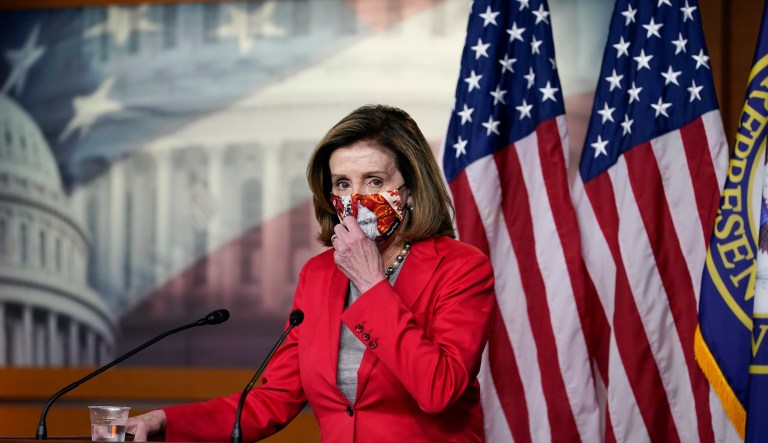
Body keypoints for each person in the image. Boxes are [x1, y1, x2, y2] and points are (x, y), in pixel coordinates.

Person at [126, 104, 495, 442]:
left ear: (410, 190)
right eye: (343, 184)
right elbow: (272, 399)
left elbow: (439, 390)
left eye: (375, 181)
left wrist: (370, 284)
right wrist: (164, 421)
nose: (355, 199)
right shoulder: (318, 275)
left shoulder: (461, 268)